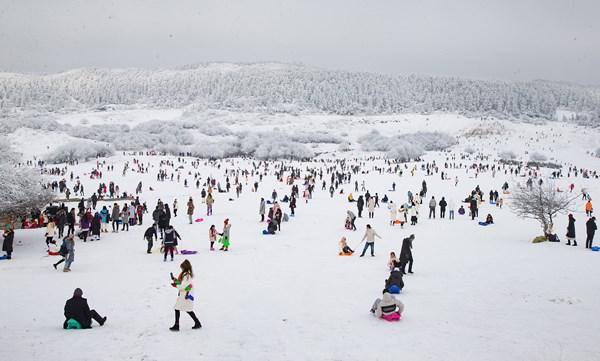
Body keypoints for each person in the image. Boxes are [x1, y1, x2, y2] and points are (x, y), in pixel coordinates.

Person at [169, 260, 202, 331]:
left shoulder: (186, 275)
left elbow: (182, 286)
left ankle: (177, 326)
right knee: (187, 309)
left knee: (179, 308)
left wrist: (176, 285)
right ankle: (197, 323)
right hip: (185, 294)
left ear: (185, 267)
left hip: (185, 295)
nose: (181, 269)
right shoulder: (186, 274)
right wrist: (175, 280)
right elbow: (182, 284)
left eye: (182, 267)